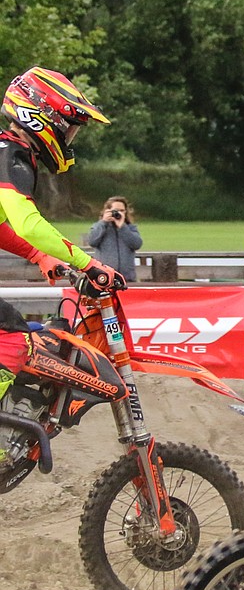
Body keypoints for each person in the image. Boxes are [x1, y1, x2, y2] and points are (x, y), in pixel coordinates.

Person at [0, 67, 120, 428]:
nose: (70, 136)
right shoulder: (10, 156)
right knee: (14, 339)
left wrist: (38, 254)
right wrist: (89, 264)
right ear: (40, 116)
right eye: (68, 126)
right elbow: (28, 224)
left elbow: (5, 227)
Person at [87, 196, 143, 281]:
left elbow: (136, 244)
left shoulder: (130, 228)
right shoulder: (99, 227)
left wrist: (122, 227)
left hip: (127, 278)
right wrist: (103, 222)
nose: (119, 213)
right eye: (116, 210)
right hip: (105, 277)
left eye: (122, 211)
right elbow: (92, 241)